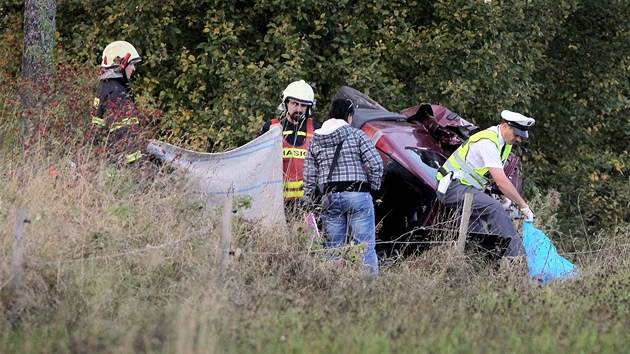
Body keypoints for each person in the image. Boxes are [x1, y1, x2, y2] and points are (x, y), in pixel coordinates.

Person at [436, 110, 536, 259]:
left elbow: (489, 176)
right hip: (452, 187)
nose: (518, 139)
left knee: (478, 236)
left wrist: (503, 196)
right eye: (516, 134)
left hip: (467, 189)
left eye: (521, 136)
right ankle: (521, 261)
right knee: (494, 209)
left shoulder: (504, 143)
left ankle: (480, 269)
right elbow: (501, 181)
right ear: (505, 126)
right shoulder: (488, 142)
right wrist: (523, 206)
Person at [303, 98, 384, 276]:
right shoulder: (357, 135)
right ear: (349, 116)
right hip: (357, 195)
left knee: (333, 249)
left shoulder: (315, 141)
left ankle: (333, 287)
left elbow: (309, 176)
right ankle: (369, 289)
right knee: (365, 248)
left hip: (329, 198)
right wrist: (374, 187)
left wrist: (309, 201)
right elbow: (376, 164)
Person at [260, 80, 321, 216]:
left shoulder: (316, 129)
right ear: (285, 103)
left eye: (303, 105)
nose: (299, 109)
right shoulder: (270, 127)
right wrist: (269, 137)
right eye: (295, 103)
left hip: (307, 204)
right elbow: (258, 162)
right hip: (276, 202)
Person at [91, 40, 145, 166]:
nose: (134, 68)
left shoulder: (106, 88)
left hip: (109, 161)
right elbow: (125, 134)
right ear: (121, 64)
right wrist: (138, 166)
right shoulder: (116, 93)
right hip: (120, 166)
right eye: (131, 64)